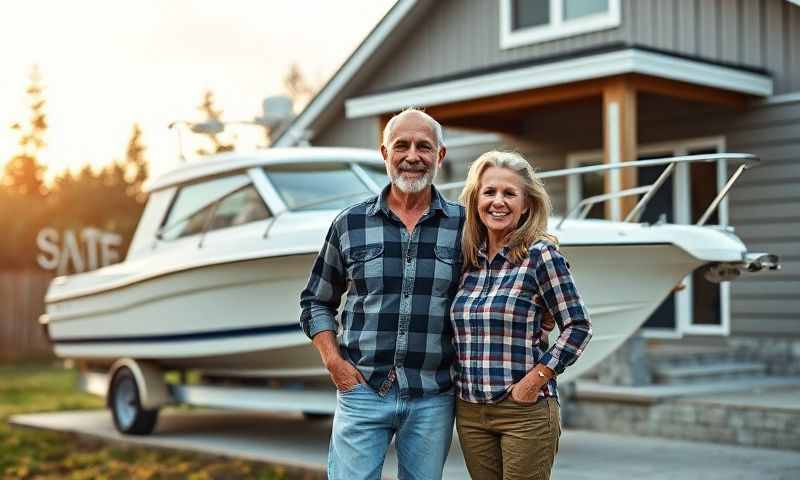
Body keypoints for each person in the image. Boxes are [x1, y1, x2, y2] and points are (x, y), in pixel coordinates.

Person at [299, 108, 465, 480]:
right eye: (401, 146)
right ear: (384, 153)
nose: (412, 156)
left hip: (433, 395)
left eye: (424, 147)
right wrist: (333, 363)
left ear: (439, 156)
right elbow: (315, 301)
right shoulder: (350, 223)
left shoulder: (465, 226)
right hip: (362, 390)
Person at [452, 151, 592, 480]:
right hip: (471, 411)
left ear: (526, 204)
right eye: (489, 192)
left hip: (524, 410)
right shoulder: (467, 259)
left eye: (509, 193)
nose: (498, 202)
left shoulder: (541, 255)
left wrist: (533, 382)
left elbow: (579, 326)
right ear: (475, 200)